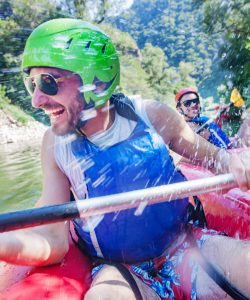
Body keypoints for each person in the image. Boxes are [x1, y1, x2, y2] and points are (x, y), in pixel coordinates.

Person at [0, 18, 250, 300]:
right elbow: (53, 241)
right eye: (31, 83)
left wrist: (235, 163)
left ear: (94, 79)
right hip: (121, 270)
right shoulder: (55, 145)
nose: (36, 100)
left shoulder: (152, 116)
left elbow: (217, 159)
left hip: (186, 244)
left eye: (48, 83)